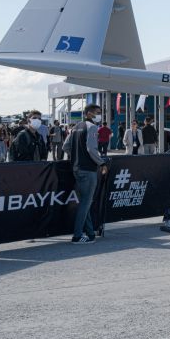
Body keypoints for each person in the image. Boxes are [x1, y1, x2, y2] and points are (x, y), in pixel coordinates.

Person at [62, 104, 108, 244]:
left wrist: (77, 156)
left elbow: (65, 147)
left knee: (85, 203)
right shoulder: (92, 127)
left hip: (76, 169)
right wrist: (102, 163)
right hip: (88, 170)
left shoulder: (75, 127)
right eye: (97, 112)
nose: (99, 115)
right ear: (88, 113)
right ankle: (77, 236)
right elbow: (91, 149)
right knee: (85, 203)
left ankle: (90, 233)